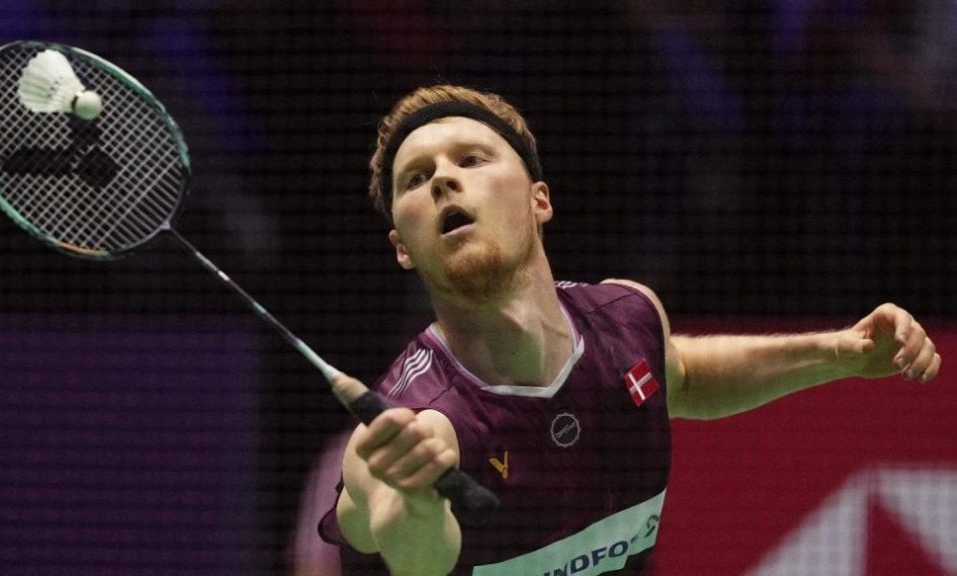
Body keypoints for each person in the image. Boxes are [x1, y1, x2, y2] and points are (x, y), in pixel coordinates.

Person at [317, 84, 941, 576]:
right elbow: (415, 559)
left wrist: (842, 352)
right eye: (416, 178)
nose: (443, 179)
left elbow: (683, 375)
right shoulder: (407, 426)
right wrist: (416, 496)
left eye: (471, 159)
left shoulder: (626, 319)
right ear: (402, 247)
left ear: (539, 199)